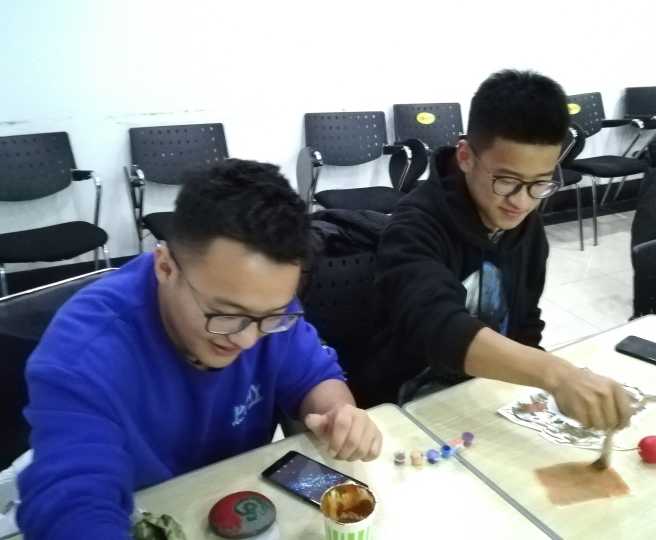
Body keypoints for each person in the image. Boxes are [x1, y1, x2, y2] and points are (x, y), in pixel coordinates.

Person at [17, 159, 382, 539]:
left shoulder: (265, 309)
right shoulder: (83, 353)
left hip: (236, 504)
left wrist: (339, 415)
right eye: (227, 315)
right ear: (165, 267)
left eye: (272, 316)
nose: (247, 340)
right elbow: (70, 499)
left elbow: (315, 377)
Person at [371, 69, 632, 430]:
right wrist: (556, 374)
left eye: (540, 183)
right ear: (465, 156)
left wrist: (541, 390)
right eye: (507, 181)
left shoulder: (523, 224)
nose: (522, 202)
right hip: (405, 412)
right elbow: (438, 327)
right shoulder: (414, 225)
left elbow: (525, 325)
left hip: (487, 398)